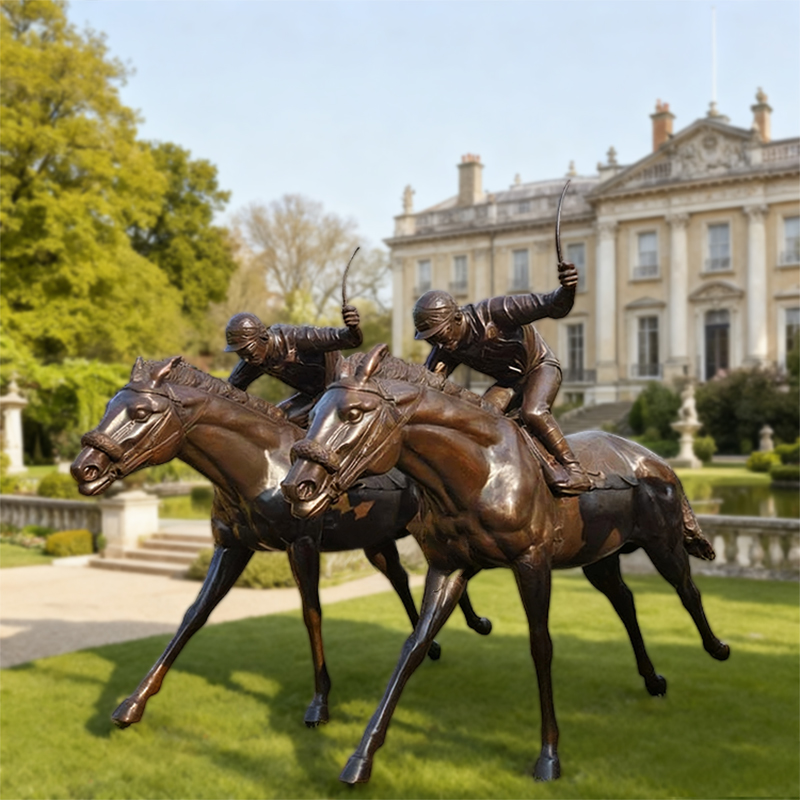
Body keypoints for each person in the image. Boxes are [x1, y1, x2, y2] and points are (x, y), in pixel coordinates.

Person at [412, 261, 591, 495]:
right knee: (481, 420)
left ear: (457, 318)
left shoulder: (496, 311)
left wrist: (567, 288)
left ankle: (574, 469)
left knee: (533, 411)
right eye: (430, 338)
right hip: (509, 382)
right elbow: (427, 385)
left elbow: (552, 305)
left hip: (540, 367)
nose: (438, 343)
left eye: (440, 334)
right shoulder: (446, 345)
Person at [225, 305, 362, 426]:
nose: (246, 359)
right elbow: (231, 389)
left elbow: (348, 339)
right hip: (312, 396)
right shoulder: (254, 358)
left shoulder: (296, 338)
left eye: (248, 351)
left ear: (263, 337)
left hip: (340, 386)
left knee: (312, 421)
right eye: (240, 354)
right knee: (274, 420)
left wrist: (353, 327)